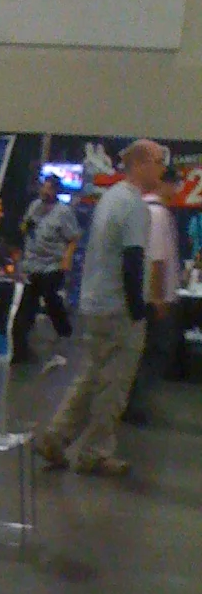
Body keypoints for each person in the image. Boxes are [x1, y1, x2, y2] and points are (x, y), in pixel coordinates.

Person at [36, 139, 165, 477]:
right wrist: (138, 309)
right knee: (114, 385)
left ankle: (56, 435)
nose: (162, 170)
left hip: (94, 303)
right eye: (158, 162)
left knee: (91, 374)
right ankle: (95, 452)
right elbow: (132, 259)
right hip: (118, 308)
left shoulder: (110, 198)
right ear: (141, 163)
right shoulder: (134, 206)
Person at [126, 166, 182, 425]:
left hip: (143, 295)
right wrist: (159, 299)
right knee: (154, 352)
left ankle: (129, 401)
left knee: (142, 352)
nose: (177, 191)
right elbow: (157, 259)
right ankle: (135, 405)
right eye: (175, 184)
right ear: (165, 184)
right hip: (155, 299)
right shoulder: (158, 214)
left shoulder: (142, 210)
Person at [11, 174, 80, 364]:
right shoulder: (34, 206)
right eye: (44, 187)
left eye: (49, 188)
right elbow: (24, 227)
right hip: (32, 263)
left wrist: (67, 258)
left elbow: (74, 237)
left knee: (50, 296)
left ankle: (64, 331)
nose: (45, 191)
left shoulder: (63, 212)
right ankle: (20, 347)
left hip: (52, 263)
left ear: (56, 191)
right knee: (27, 304)